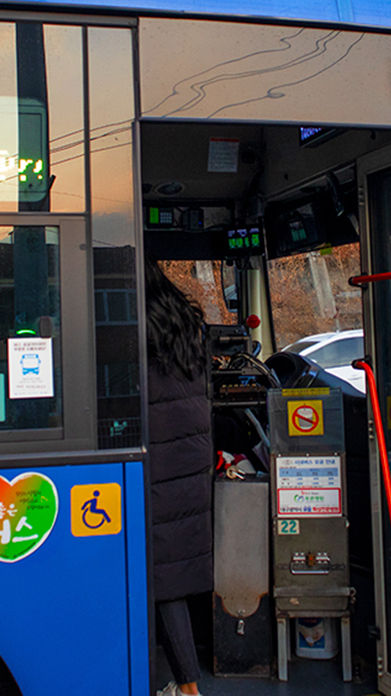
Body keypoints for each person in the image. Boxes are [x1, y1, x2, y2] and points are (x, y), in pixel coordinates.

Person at [144, 256, 213, 696]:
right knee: (169, 576)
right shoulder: (185, 322)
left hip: (158, 461)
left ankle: (187, 688)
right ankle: (185, 683)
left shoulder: (133, 327)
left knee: (161, 577)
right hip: (189, 458)